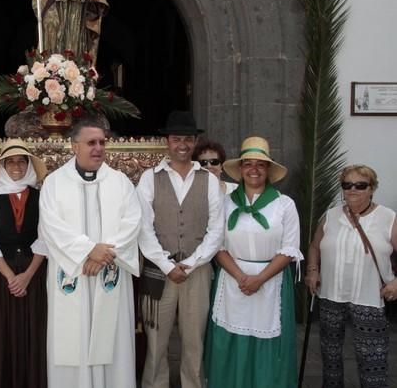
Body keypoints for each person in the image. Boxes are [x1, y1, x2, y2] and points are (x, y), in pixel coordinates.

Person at [38, 117, 141, 388]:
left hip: (110, 274)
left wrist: (103, 255)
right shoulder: (54, 183)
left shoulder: (120, 183)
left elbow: (132, 224)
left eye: (102, 143)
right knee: (73, 342)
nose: (98, 148)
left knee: (112, 344)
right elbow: (51, 227)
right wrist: (87, 251)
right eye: (91, 143)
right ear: (74, 146)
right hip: (73, 276)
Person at [204, 136, 303, 388]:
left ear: (268, 169)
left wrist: (259, 279)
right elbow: (216, 244)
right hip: (232, 279)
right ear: (240, 169)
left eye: (260, 164)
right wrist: (240, 277)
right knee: (231, 338)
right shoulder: (225, 203)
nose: (254, 170)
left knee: (268, 343)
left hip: (270, 281)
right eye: (248, 164)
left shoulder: (284, 205)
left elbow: (289, 248)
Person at [137, 111, 224, 388]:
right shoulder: (150, 178)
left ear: (195, 142)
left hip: (196, 272)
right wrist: (166, 264)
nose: (182, 144)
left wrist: (192, 263)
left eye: (188, 139)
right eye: (177, 139)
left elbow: (216, 230)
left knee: (194, 340)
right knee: (156, 341)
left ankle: (193, 384)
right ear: (167, 142)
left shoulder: (209, 180)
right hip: (157, 271)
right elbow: (143, 228)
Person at [305, 164, 397, 388]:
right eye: (347, 185)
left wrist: (396, 282)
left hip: (369, 300)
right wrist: (312, 271)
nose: (352, 189)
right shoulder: (331, 215)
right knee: (330, 357)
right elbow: (314, 246)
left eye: (360, 185)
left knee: (372, 362)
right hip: (330, 297)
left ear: (372, 188)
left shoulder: (388, 218)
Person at [0, 139, 49, 388]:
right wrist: (11, 277)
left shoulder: (42, 197)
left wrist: (26, 275)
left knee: (31, 334)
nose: (16, 166)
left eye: (21, 161)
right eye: (10, 161)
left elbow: (45, 239)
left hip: (33, 273)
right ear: (3, 165)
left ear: (28, 165)